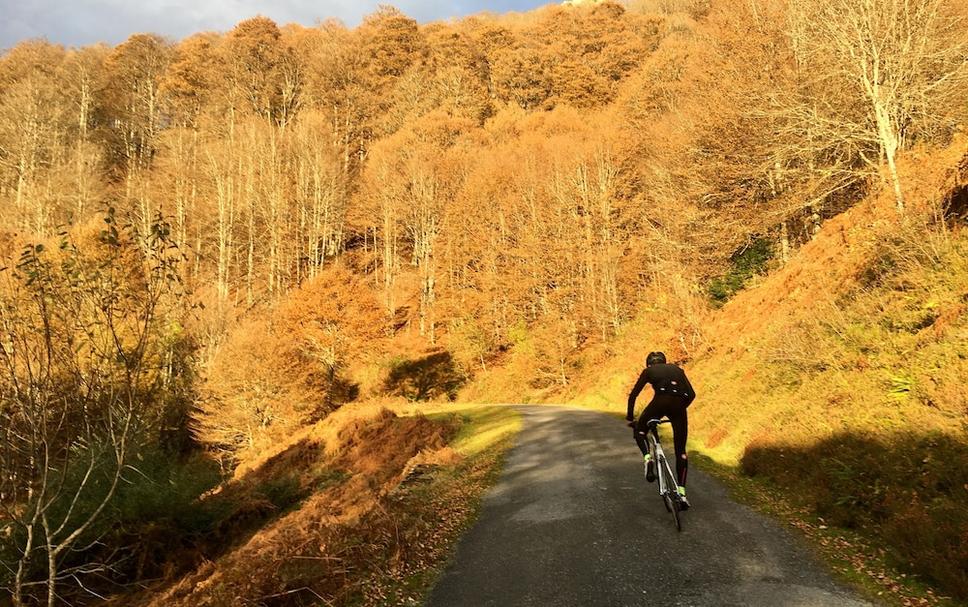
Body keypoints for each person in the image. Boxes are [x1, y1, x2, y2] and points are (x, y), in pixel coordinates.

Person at [626, 351, 696, 509]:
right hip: (679, 406)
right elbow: (692, 394)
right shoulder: (678, 370)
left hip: (660, 401)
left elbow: (633, 395)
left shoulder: (649, 371)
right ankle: (682, 494)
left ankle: (648, 459)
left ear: (649, 364)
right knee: (681, 451)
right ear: (664, 361)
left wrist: (631, 418)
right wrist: (677, 411)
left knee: (640, 430)